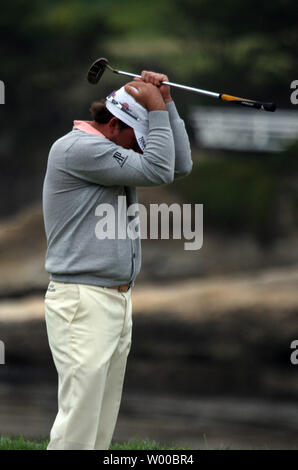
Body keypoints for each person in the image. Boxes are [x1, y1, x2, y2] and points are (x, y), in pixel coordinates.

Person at [42, 71, 193, 450]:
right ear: (112, 125)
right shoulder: (77, 149)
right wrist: (154, 107)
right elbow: (160, 168)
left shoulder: (109, 149)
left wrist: (167, 103)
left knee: (99, 425)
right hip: (83, 300)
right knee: (78, 423)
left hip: (115, 299)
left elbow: (179, 166)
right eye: (136, 141)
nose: (140, 150)